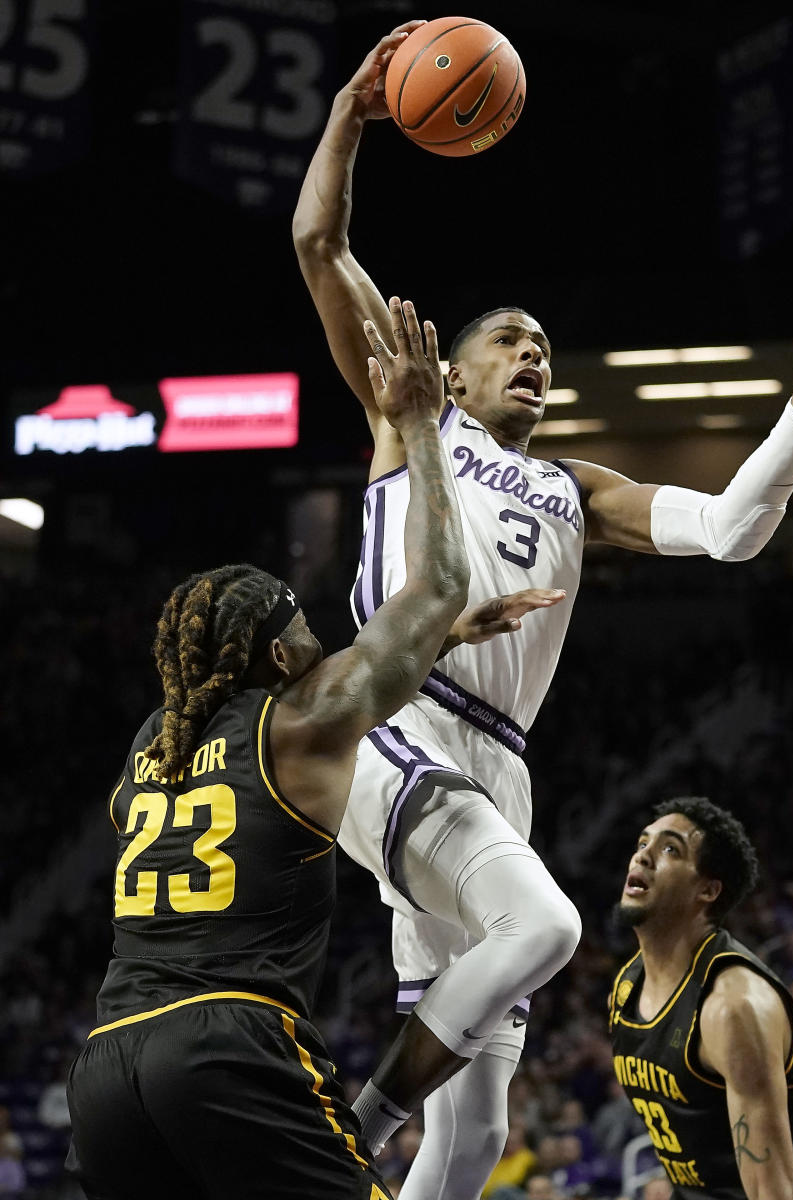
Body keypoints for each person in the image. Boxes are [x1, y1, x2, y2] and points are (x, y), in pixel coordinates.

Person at [292, 22, 793, 1199]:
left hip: (497, 765)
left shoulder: (575, 487)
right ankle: (341, 1131)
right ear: (451, 374)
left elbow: (732, 531)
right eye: (511, 341)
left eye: (545, 348)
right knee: (552, 928)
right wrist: (353, 119)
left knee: (469, 1131)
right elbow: (318, 238)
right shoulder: (413, 413)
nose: (535, 356)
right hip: (397, 715)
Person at [64, 301, 480, 1200]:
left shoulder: (151, 745)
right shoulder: (300, 715)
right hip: (228, 1046)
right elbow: (443, 582)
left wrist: (427, 647)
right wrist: (415, 422)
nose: (322, 646)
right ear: (283, 657)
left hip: (106, 1071)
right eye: (308, 634)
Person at [607, 796, 793, 1200]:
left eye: (670, 848)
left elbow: (773, 1192)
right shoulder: (628, 984)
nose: (642, 857)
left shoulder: (733, 1007)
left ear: (708, 890)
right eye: (643, 843)